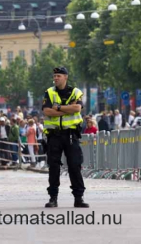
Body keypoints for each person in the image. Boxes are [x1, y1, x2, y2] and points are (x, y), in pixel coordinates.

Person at [42, 66, 89, 208]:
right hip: (54, 135)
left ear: (65, 77)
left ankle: (78, 198)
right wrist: (66, 109)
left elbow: (77, 109)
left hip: (70, 135)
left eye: (59, 76)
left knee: (75, 166)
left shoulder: (76, 92)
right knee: (54, 167)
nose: (56, 78)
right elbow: (47, 112)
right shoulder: (49, 92)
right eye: (54, 76)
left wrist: (57, 107)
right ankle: (53, 198)